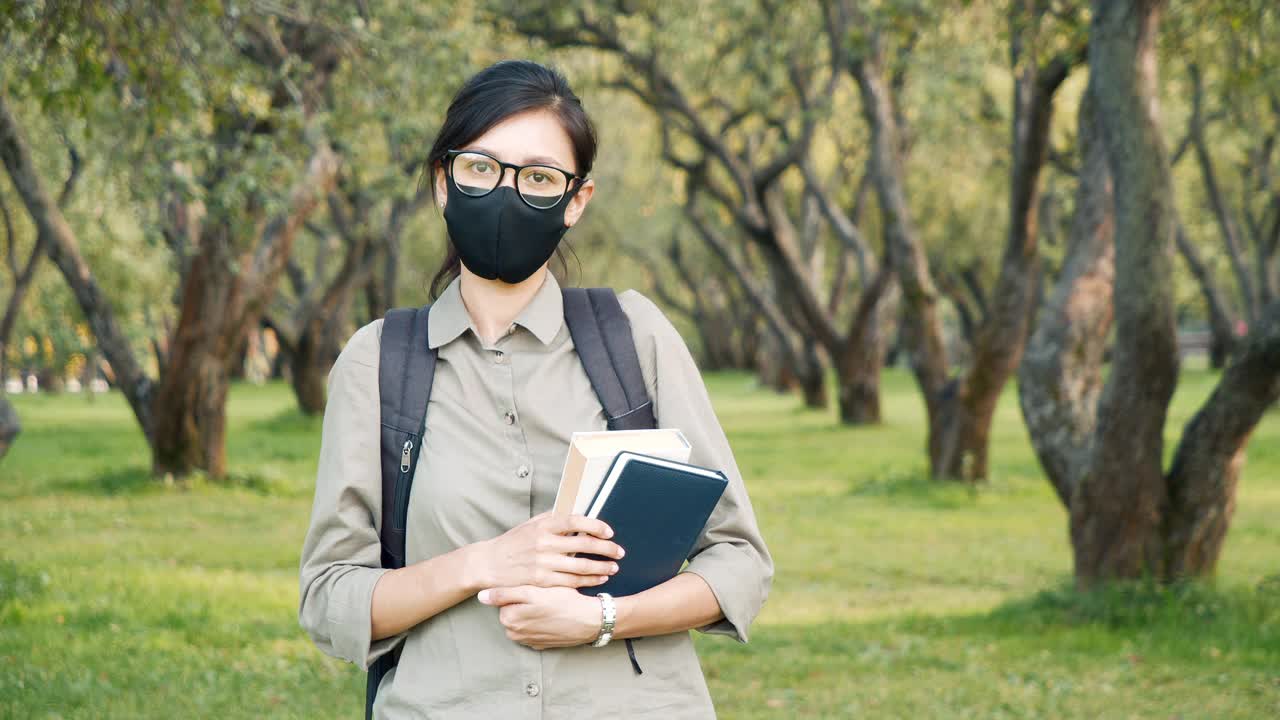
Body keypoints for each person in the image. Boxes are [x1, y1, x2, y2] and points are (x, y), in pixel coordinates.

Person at [297, 59, 773, 719]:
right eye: (482, 168)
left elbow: (740, 562)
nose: (506, 194)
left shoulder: (635, 338)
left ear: (576, 200)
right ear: (444, 181)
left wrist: (603, 619)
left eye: (540, 178)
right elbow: (328, 597)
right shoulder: (377, 362)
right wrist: (485, 563)